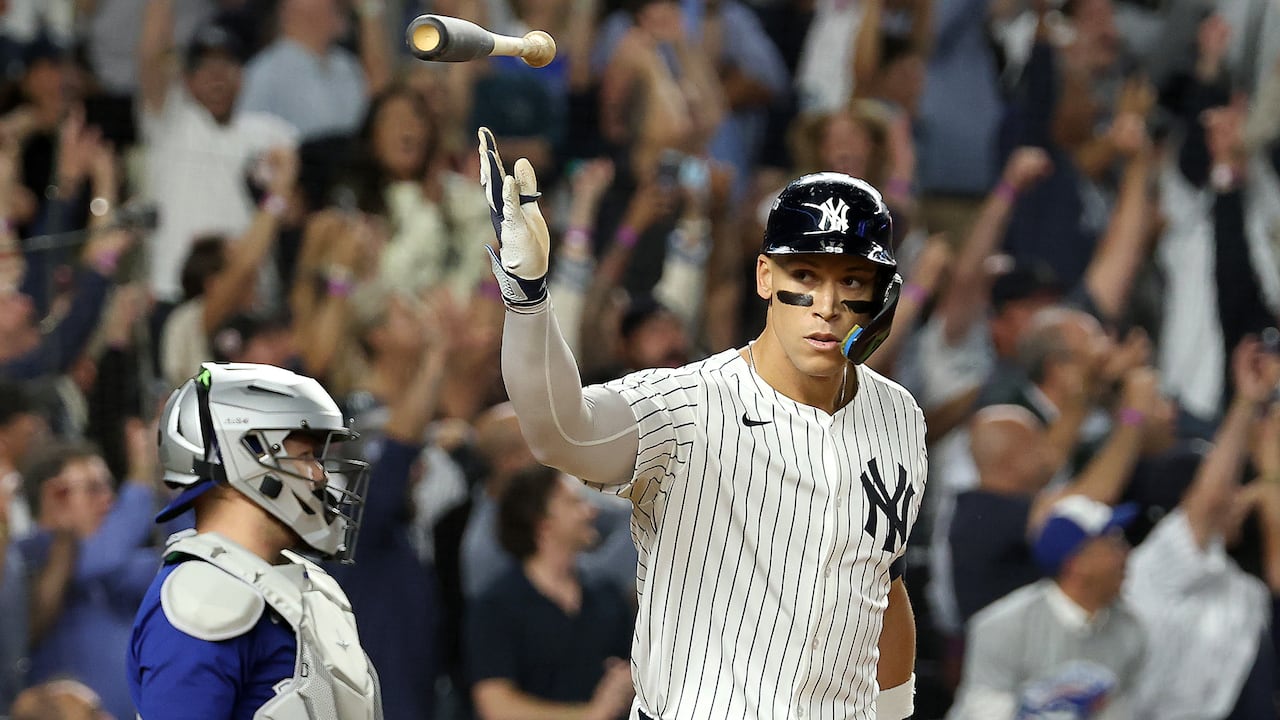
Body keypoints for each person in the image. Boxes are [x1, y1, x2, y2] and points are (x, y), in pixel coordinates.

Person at [477, 127, 926, 719]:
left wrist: (895, 715)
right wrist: (529, 299)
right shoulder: (688, 405)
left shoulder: (898, 415)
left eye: (851, 280)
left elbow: (882, 586)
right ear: (765, 276)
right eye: (806, 278)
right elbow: (561, 430)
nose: (827, 305)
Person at [127, 362, 380, 719]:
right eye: (306, 456)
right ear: (247, 456)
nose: (320, 476)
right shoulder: (201, 599)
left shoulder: (299, 585)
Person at [948, 495, 1147, 720]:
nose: (1126, 552)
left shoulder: (1131, 628)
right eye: (1113, 543)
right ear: (1077, 564)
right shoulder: (1002, 626)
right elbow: (985, 714)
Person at [466, 464, 636, 720]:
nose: (591, 511)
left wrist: (629, 681)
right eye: (574, 503)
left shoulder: (606, 595)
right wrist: (591, 714)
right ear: (542, 523)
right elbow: (496, 705)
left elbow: (634, 669)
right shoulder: (496, 606)